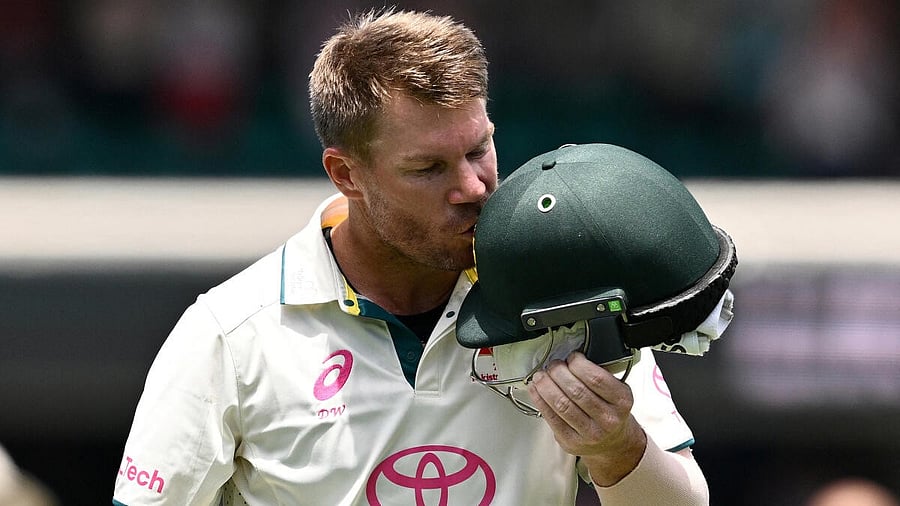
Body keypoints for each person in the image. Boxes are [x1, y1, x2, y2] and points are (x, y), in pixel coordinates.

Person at [113, 9, 716, 505]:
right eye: (428, 168)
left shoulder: (561, 297)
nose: (475, 187)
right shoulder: (229, 334)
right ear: (345, 173)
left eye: (480, 149)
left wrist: (617, 449)